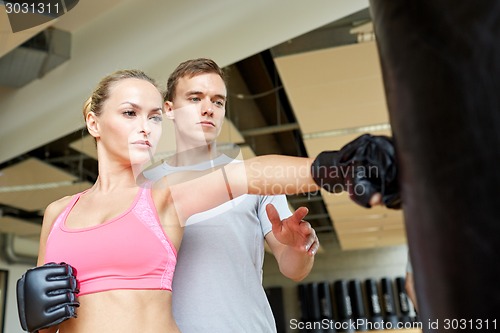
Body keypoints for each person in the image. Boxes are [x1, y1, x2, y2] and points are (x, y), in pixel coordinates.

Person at [17, 69, 398, 333]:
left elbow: (247, 175)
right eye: (130, 113)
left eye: (153, 118)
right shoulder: (58, 213)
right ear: (94, 122)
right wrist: (38, 320)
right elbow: (48, 324)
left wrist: (339, 167)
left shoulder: (162, 200)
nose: (144, 127)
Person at [143, 58, 318, 332]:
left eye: (217, 101)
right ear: (169, 109)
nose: (208, 109)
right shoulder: (144, 187)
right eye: (195, 98)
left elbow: (294, 269)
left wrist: (299, 250)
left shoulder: (255, 180)